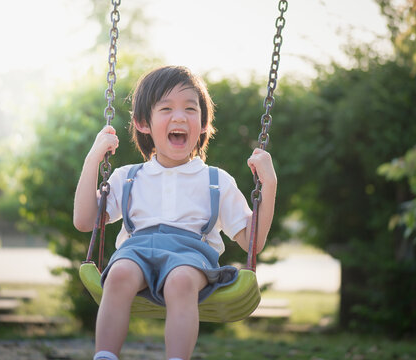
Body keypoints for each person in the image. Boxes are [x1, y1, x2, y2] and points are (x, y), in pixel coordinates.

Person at [73, 65, 277, 360]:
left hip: (191, 256)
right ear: (144, 123)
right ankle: (105, 356)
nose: (179, 116)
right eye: (166, 108)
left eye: (190, 109)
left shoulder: (216, 181)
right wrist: (95, 157)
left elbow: (251, 242)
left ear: (204, 124)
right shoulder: (127, 177)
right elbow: (83, 221)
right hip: (136, 251)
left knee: (180, 281)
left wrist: (268, 185)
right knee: (117, 274)